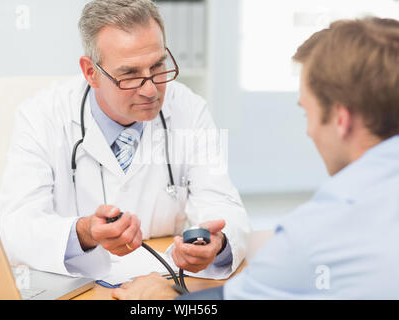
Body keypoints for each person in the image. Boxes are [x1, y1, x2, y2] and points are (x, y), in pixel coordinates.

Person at [111, 16, 399, 300]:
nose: (310, 131)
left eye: (306, 112)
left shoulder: (320, 234)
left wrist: (165, 300)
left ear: (340, 119)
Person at [0, 0, 251, 280]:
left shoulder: (190, 110)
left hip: (161, 285)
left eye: (157, 66)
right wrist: (84, 232)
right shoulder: (41, 116)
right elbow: (16, 228)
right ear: (91, 72)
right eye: (129, 74)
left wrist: (218, 244)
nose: (151, 89)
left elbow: (223, 204)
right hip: (77, 285)